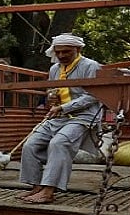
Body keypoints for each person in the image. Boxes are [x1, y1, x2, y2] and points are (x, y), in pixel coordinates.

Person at [19, 33, 102, 204]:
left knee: (59, 143)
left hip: (83, 117)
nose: (62, 56)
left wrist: (63, 107)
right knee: (30, 145)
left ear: (77, 49)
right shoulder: (54, 68)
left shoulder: (91, 66)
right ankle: (36, 187)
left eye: (67, 52)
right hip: (58, 116)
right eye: (58, 52)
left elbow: (93, 95)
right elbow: (51, 89)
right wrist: (51, 96)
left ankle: (48, 191)